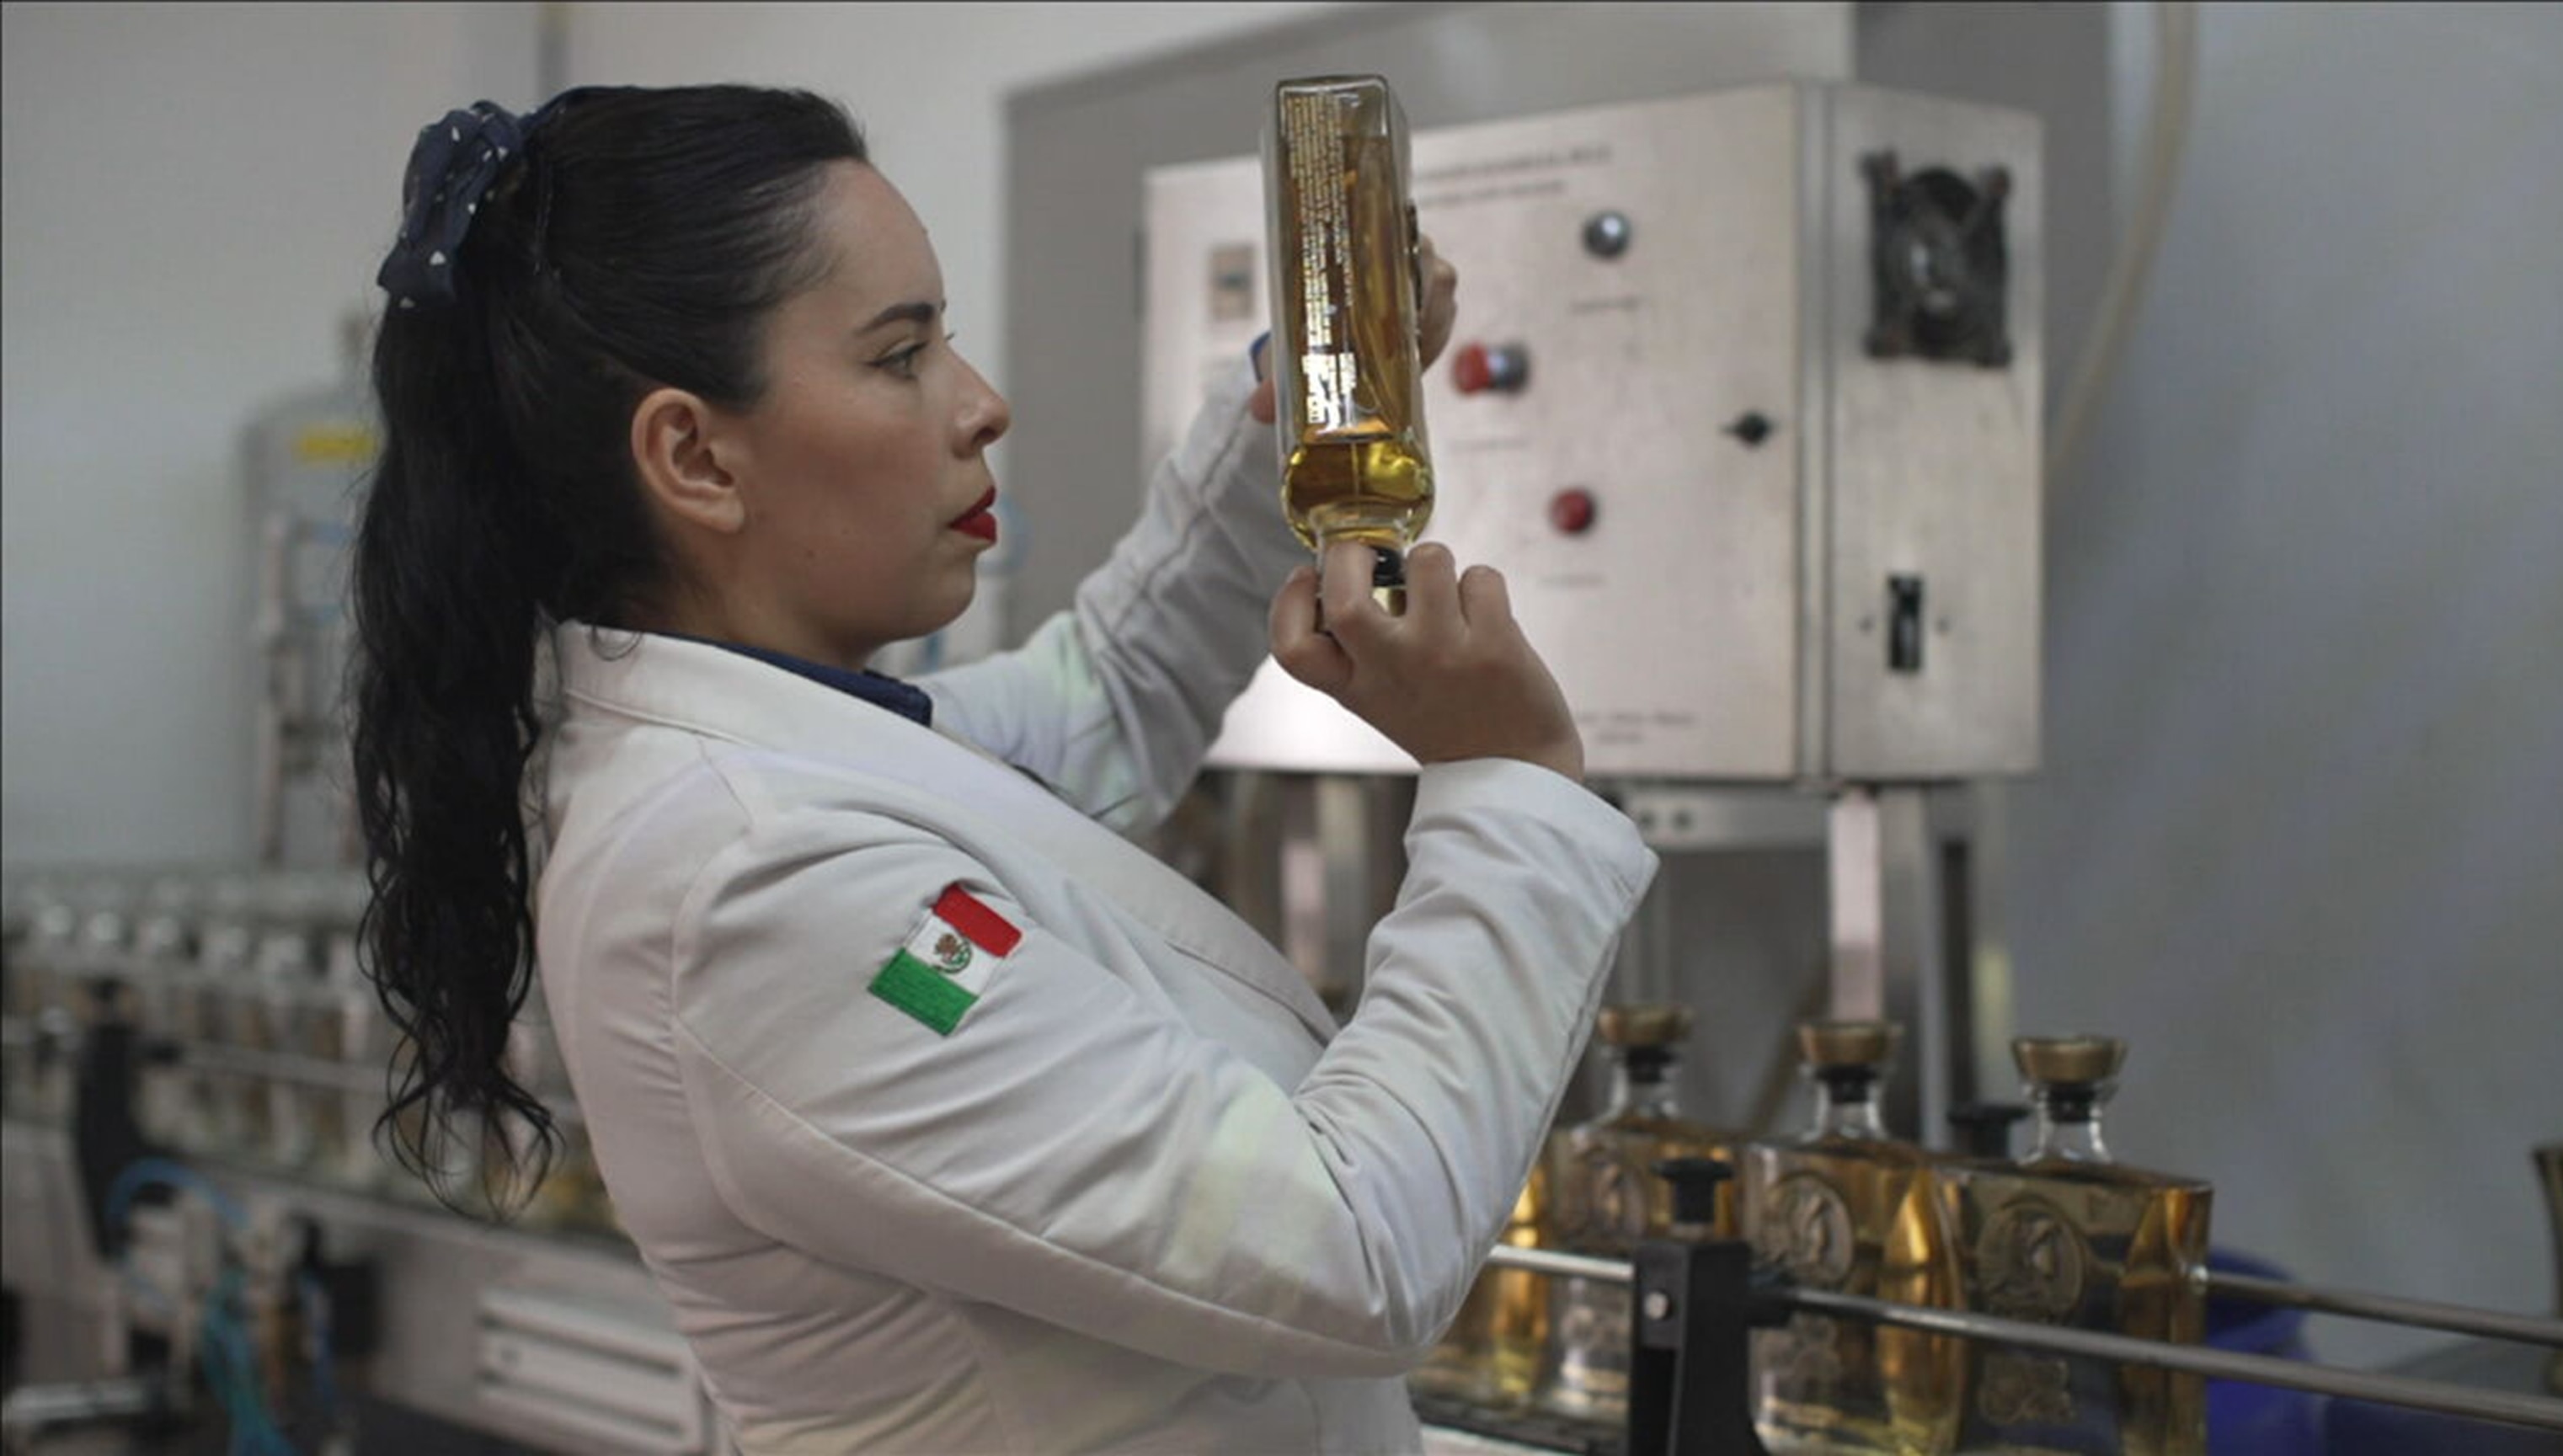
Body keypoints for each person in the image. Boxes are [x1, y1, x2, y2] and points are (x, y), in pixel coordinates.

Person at [350, 84, 1656, 1454]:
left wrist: (1294, 409)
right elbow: (1350, 1245)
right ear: (694, 454)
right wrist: (1507, 783)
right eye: (899, 355)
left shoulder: (799, 760)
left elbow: (1106, 697)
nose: (982, 405)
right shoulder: (753, 881)